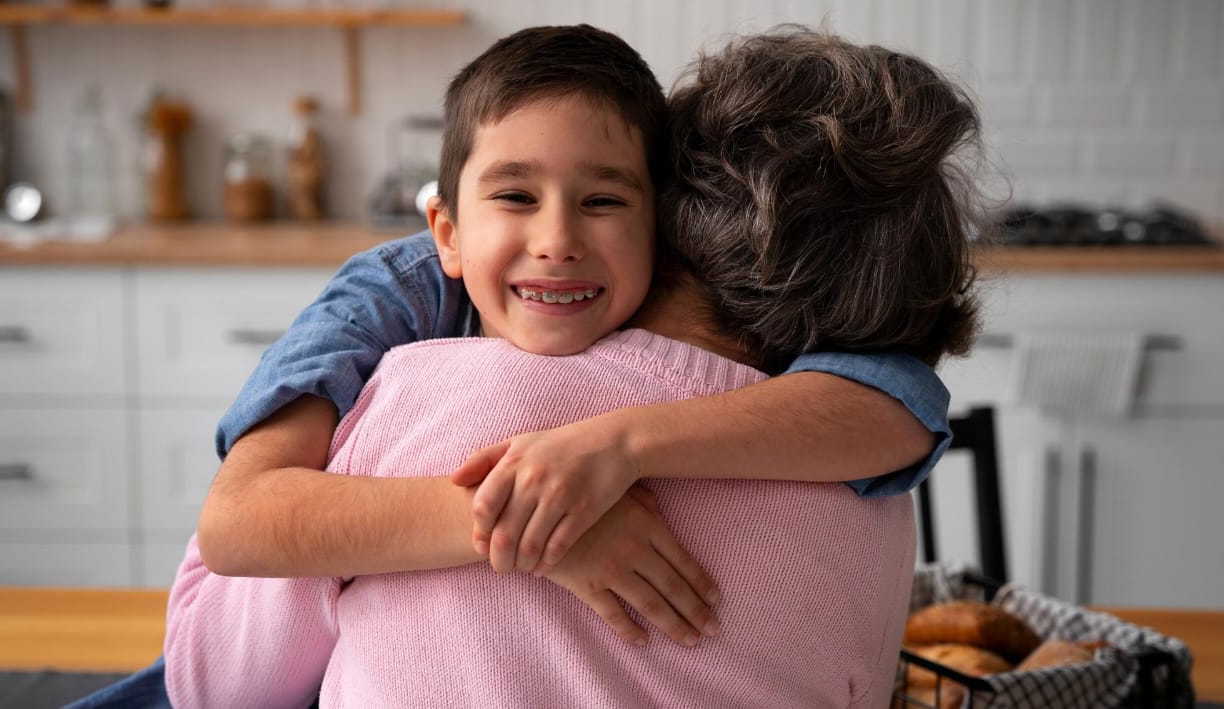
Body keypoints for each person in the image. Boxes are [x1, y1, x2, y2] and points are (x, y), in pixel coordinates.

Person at [163, 24, 983, 708]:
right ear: (446, 228)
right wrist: (529, 529)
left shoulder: (432, 397)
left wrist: (615, 447)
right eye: (515, 197)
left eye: (603, 200)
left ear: (663, 223)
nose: (556, 240)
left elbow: (903, 409)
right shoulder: (395, 300)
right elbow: (241, 520)